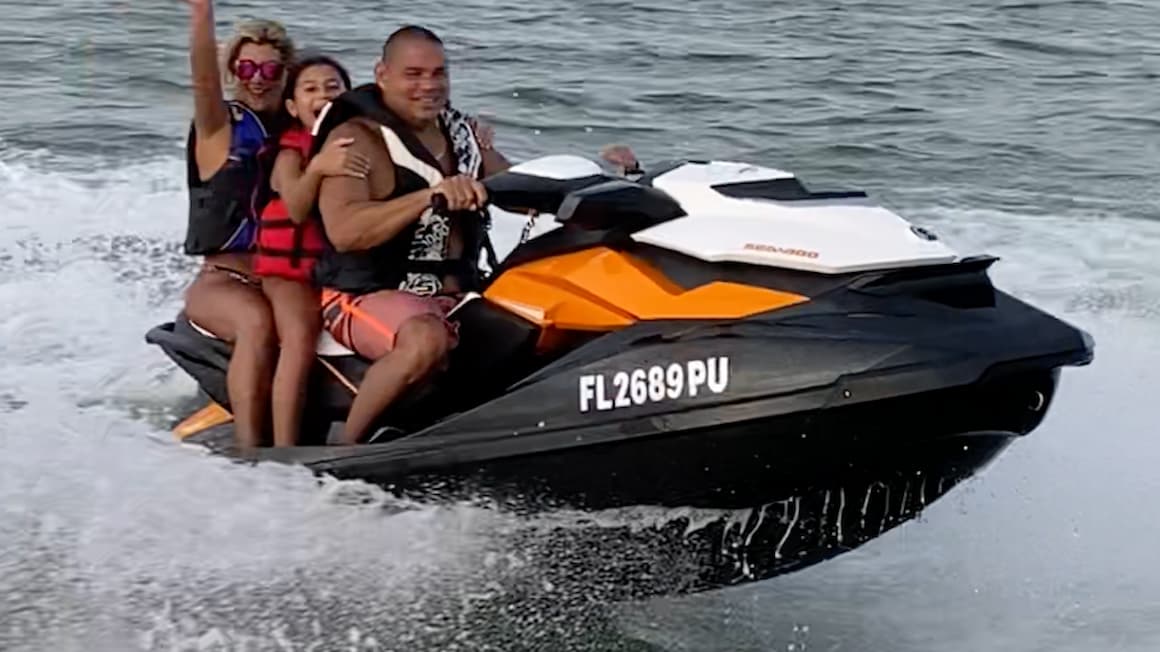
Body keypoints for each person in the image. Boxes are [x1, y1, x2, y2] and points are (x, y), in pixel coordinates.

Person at [311, 25, 510, 445]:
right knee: (425, 337)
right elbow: (346, 232)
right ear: (382, 75)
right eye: (414, 74)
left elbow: (518, 188)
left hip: (456, 293)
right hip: (362, 296)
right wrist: (428, 197)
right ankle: (349, 451)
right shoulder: (355, 140)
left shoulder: (463, 137)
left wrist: (607, 182)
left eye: (439, 74)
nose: (429, 85)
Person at [179, 0, 295, 449]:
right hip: (224, 281)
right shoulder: (220, 129)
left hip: (286, 278)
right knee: (256, 322)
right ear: (233, 71)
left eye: (270, 70)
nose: (257, 79)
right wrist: (201, 14)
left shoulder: (299, 132)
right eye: (247, 67)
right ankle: (252, 450)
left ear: (285, 76)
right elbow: (203, 80)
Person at [251, 54, 368, 447]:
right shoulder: (289, 154)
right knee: (300, 337)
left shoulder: (359, 140)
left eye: (333, 87)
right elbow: (298, 209)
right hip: (289, 273)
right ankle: (285, 448)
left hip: (339, 268)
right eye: (311, 89)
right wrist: (318, 167)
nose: (322, 95)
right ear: (291, 106)